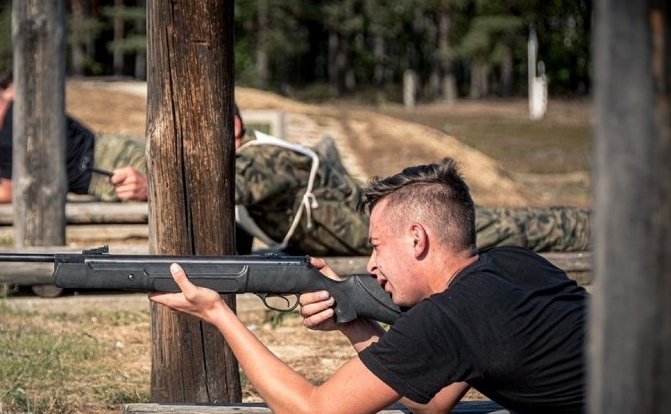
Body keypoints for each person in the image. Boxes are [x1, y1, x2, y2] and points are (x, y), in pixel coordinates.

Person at [150, 157, 588, 414]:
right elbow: (432, 403)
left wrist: (219, 314)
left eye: (377, 245)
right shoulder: (515, 263)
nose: (372, 264)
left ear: (417, 239)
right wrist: (352, 319)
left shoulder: (451, 316)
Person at [112, 108, 592, 256]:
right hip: (373, 236)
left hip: (397, 231)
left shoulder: (264, 159)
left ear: (233, 129)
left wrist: (154, 187)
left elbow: (231, 189)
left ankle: (595, 230)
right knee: (507, 227)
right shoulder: (247, 160)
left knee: (516, 229)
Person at [0, 73, 146, 203]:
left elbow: (9, 193)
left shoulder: (5, 139)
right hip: (117, 145)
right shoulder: (27, 103)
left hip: (111, 173)